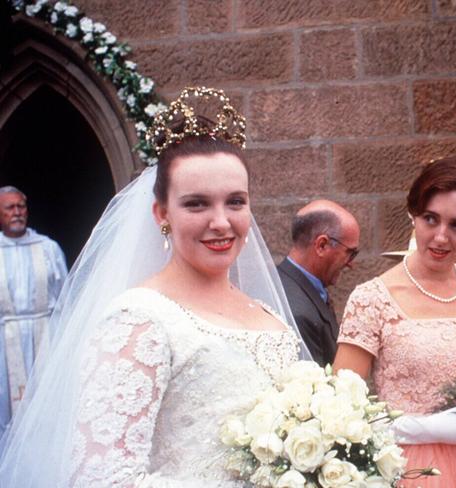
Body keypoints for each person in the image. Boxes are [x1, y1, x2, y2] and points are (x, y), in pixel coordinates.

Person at [0, 87, 309, 487]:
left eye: (235, 201)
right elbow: (102, 479)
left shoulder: (265, 313)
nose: (221, 221)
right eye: (196, 204)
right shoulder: (139, 322)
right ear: (161, 213)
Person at [333, 158, 456, 487]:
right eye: (430, 219)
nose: (441, 237)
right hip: (413, 468)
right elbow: (343, 407)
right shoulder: (372, 298)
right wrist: (423, 428)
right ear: (414, 215)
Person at [0, 186, 67, 439]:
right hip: (5, 343)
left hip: (44, 337)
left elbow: (64, 298)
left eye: (21, 206)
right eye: (10, 208)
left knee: (47, 401)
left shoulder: (48, 249)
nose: (17, 212)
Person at [277, 200, 360, 366]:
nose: (351, 264)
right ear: (322, 245)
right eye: (350, 253)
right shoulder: (298, 313)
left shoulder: (286, 283)